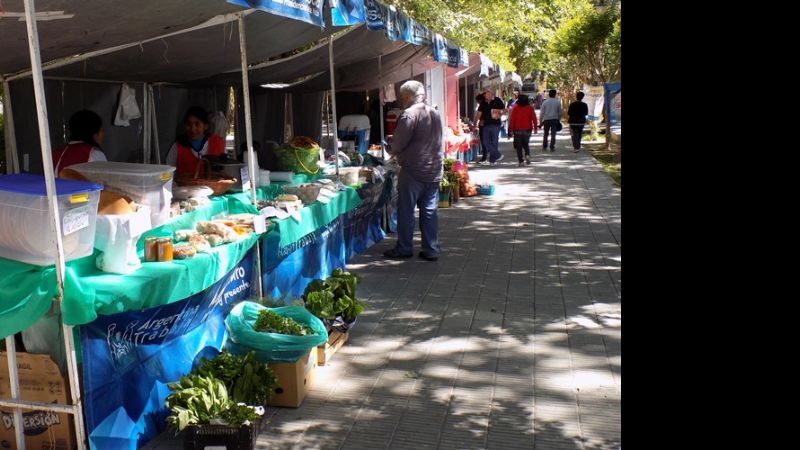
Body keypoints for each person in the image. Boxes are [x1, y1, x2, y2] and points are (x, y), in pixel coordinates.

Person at [383, 80, 443, 262]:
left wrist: (389, 145)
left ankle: (404, 248)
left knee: (406, 210)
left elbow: (399, 143)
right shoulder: (433, 112)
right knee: (429, 211)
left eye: (402, 97)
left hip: (414, 169)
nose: (402, 100)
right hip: (433, 168)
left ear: (408, 96)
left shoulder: (409, 114)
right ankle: (431, 248)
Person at [165, 106, 225, 174]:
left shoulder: (218, 143)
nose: (192, 129)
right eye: (189, 124)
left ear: (205, 126)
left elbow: (225, 170)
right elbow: (168, 171)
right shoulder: (178, 146)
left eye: (197, 124)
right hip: (184, 184)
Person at [52, 110, 107, 175]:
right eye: (101, 130)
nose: (103, 134)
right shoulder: (94, 154)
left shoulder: (55, 154)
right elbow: (106, 182)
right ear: (95, 134)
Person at [475, 88, 505, 165]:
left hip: (496, 124)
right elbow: (479, 113)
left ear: (491, 93)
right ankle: (498, 155)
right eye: (484, 94)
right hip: (486, 125)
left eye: (487, 93)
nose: (485, 95)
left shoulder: (497, 100)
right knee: (485, 142)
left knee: (494, 142)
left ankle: (492, 160)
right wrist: (475, 123)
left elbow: (504, 110)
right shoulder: (483, 102)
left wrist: (498, 113)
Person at [507, 94, 538, 167]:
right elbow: (534, 118)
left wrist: (511, 130)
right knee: (526, 143)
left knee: (519, 146)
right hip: (527, 129)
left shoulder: (515, 108)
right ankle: (527, 154)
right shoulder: (530, 108)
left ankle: (521, 161)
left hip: (517, 129)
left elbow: (512, 120)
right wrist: (535, 128)